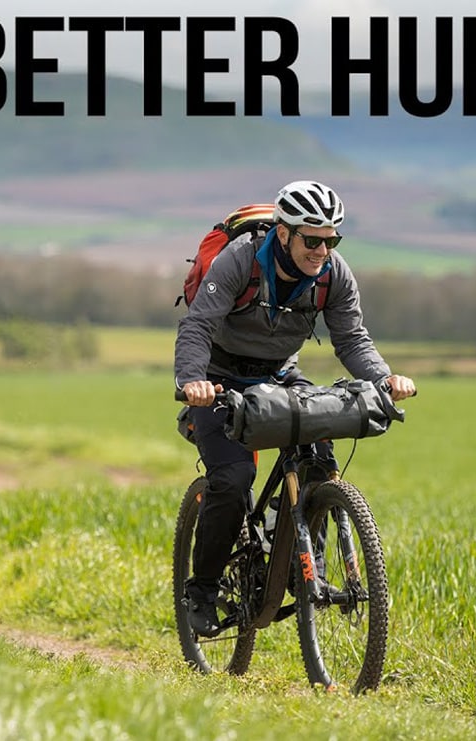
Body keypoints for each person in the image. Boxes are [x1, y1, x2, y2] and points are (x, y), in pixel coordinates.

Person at [174, 180, 415, 637]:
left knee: (319, 460)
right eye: (312, 239)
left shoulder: (333, 273)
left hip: (280, 374)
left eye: (331, 239)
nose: (322, 249)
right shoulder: (239, 261)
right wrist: (193, 383)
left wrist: (383, 378)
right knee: (232, 479)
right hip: (219, 377)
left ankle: (307, 566)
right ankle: (201, 589)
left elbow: (352, 338)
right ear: (283, 234)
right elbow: (198, 327)